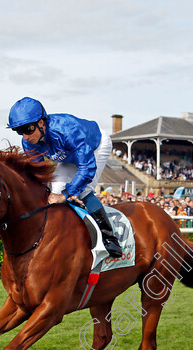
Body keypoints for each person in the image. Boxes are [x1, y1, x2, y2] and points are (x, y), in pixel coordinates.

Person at [7, 97, 122, 257]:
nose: (25, 136)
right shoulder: (29, 142)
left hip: (96, 145)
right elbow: (39, 175)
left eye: (28, 129)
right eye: (20, 131)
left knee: (83, 190)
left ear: (41, 122)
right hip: (68, 156)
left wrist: (66, 195)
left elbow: (87, 167)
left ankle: (109, 238)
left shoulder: (67, 129)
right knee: (53, 190)